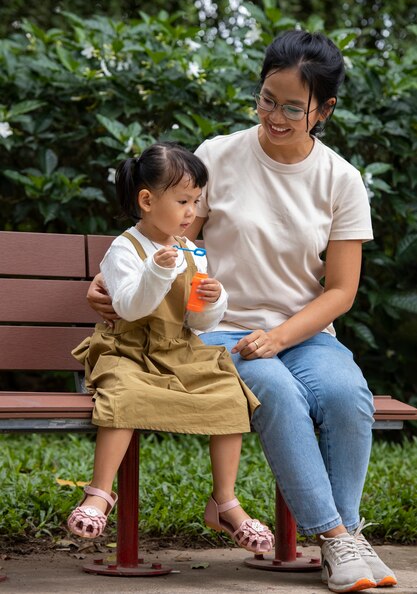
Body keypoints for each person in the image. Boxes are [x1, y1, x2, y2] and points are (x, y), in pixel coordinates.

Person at [86, 31, 397, 592]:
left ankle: (345, 534)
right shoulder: (219, 155)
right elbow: (170, 236)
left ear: (324, 110)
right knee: (274, 393)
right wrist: (111, 277)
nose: (274, 116)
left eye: (293, 108)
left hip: (303, 332)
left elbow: (341, 291)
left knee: (347, 396)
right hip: (217, 328)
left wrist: (279, 337)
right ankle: (335, 540)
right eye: (266, 99)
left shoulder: (342, 180)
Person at [67, 142, 274, 555]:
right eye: (183, 201)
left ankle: (224, 501)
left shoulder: (188, 250)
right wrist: (159, 271)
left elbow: (199, 322)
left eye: (197, 201)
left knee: (230, 393)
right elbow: (129, 306)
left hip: (178, 351)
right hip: (128, 349)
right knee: (123, 392)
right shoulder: (124, 249)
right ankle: (100, 492)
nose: (192, 212)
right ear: (147, 200)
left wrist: (214, 299)